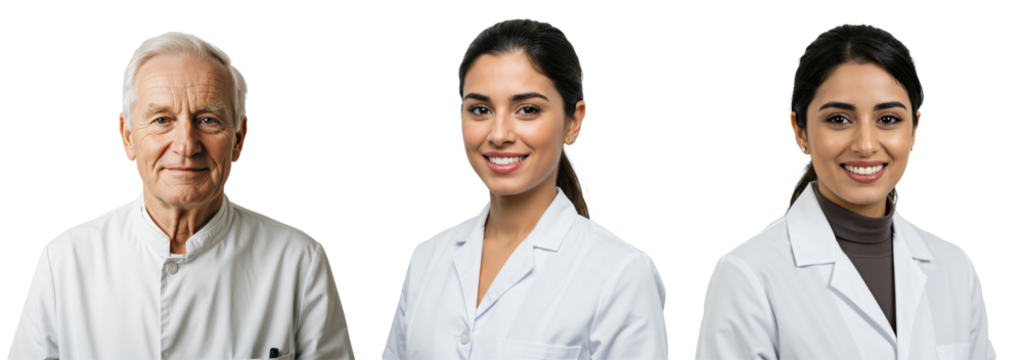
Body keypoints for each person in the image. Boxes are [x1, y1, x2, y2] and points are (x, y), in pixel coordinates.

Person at [8, 30, 356, 359]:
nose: (186, 146)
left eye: (208, 120)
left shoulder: (299, 260)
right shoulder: (65, 260)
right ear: (127, 135)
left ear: (239, 139)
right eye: (162, 120)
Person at [695, 22, 996, 359]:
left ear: (914, 130)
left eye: (888, 119)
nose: (866, 145)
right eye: (839, 119)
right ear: (801, 132)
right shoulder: (748, 274)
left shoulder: (955, 268)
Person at [381, 17, 669, 360]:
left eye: (527, 109)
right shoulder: (427, 259)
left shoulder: (620, 272)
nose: (499, 133)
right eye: (481, 109)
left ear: (573, 122)